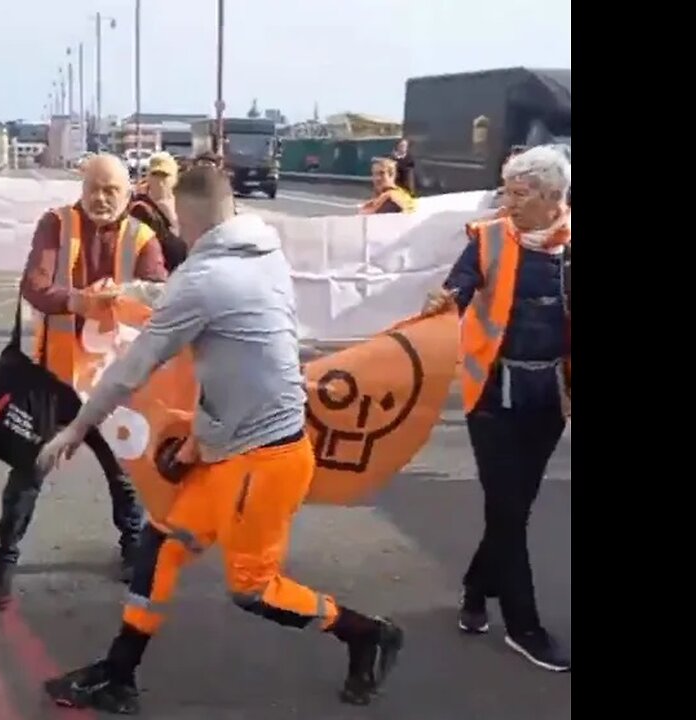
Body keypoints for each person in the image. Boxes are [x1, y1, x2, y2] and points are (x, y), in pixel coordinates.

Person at [38, 165, 404, 715]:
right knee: (161, 544)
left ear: (183, 218)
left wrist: (76, 426)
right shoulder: (261, 251)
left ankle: (366, 633)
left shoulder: (204, 280)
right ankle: (119, 674)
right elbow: (230, 346)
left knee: (253, 589)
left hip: (263, 461)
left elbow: (132, 368)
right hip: (235, 445)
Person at [0, 154, 168, 606]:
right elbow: (35, 286)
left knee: (124, 475)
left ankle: (131, 551)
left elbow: (159, 297)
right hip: (54, 376)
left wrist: (121, 298)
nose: (102, 198)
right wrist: (80, 302)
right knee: (27, 473)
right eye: (95, 188)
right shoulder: (55, 223)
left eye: (112, 190)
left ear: (129, 195)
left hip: (113, 381)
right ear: (81, 187)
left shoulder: (144, 237)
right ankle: (4, 565)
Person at [422, 145, 571, 673]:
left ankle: (474, 587)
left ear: (554, 196)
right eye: (506, 191)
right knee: (507, 510)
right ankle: (525, 627)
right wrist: (443, 303)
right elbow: (459, 288)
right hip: (493, 395)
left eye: (521, 193)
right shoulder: (488, 239)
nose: (509, 202)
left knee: (514, 509)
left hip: (551, 397)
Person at [127, 152, 187, 271]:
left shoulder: (184, 203)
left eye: (164, 176)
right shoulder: (139, 208)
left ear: (174, 178)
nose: (160, 181)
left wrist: (171, 216)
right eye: (155, 175)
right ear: (148, 176)